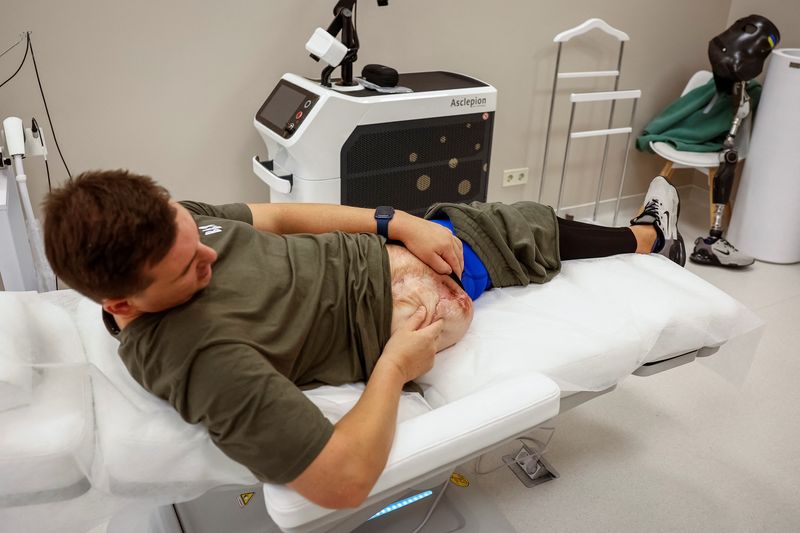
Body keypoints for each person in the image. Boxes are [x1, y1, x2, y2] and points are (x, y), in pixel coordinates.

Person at [42, 170, 683, 509]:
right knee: (520, 228)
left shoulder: (164, 229)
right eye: (191, 272)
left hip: (385, 250)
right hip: (407, 305)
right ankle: (656, 241)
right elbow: (341, 481)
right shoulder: (199, 359)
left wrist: (395, 222)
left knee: (483, 221)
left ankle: (641, 236)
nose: (207, 259)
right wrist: (396, 367)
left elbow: (278, 217)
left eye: (197, 241)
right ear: (122, 303)